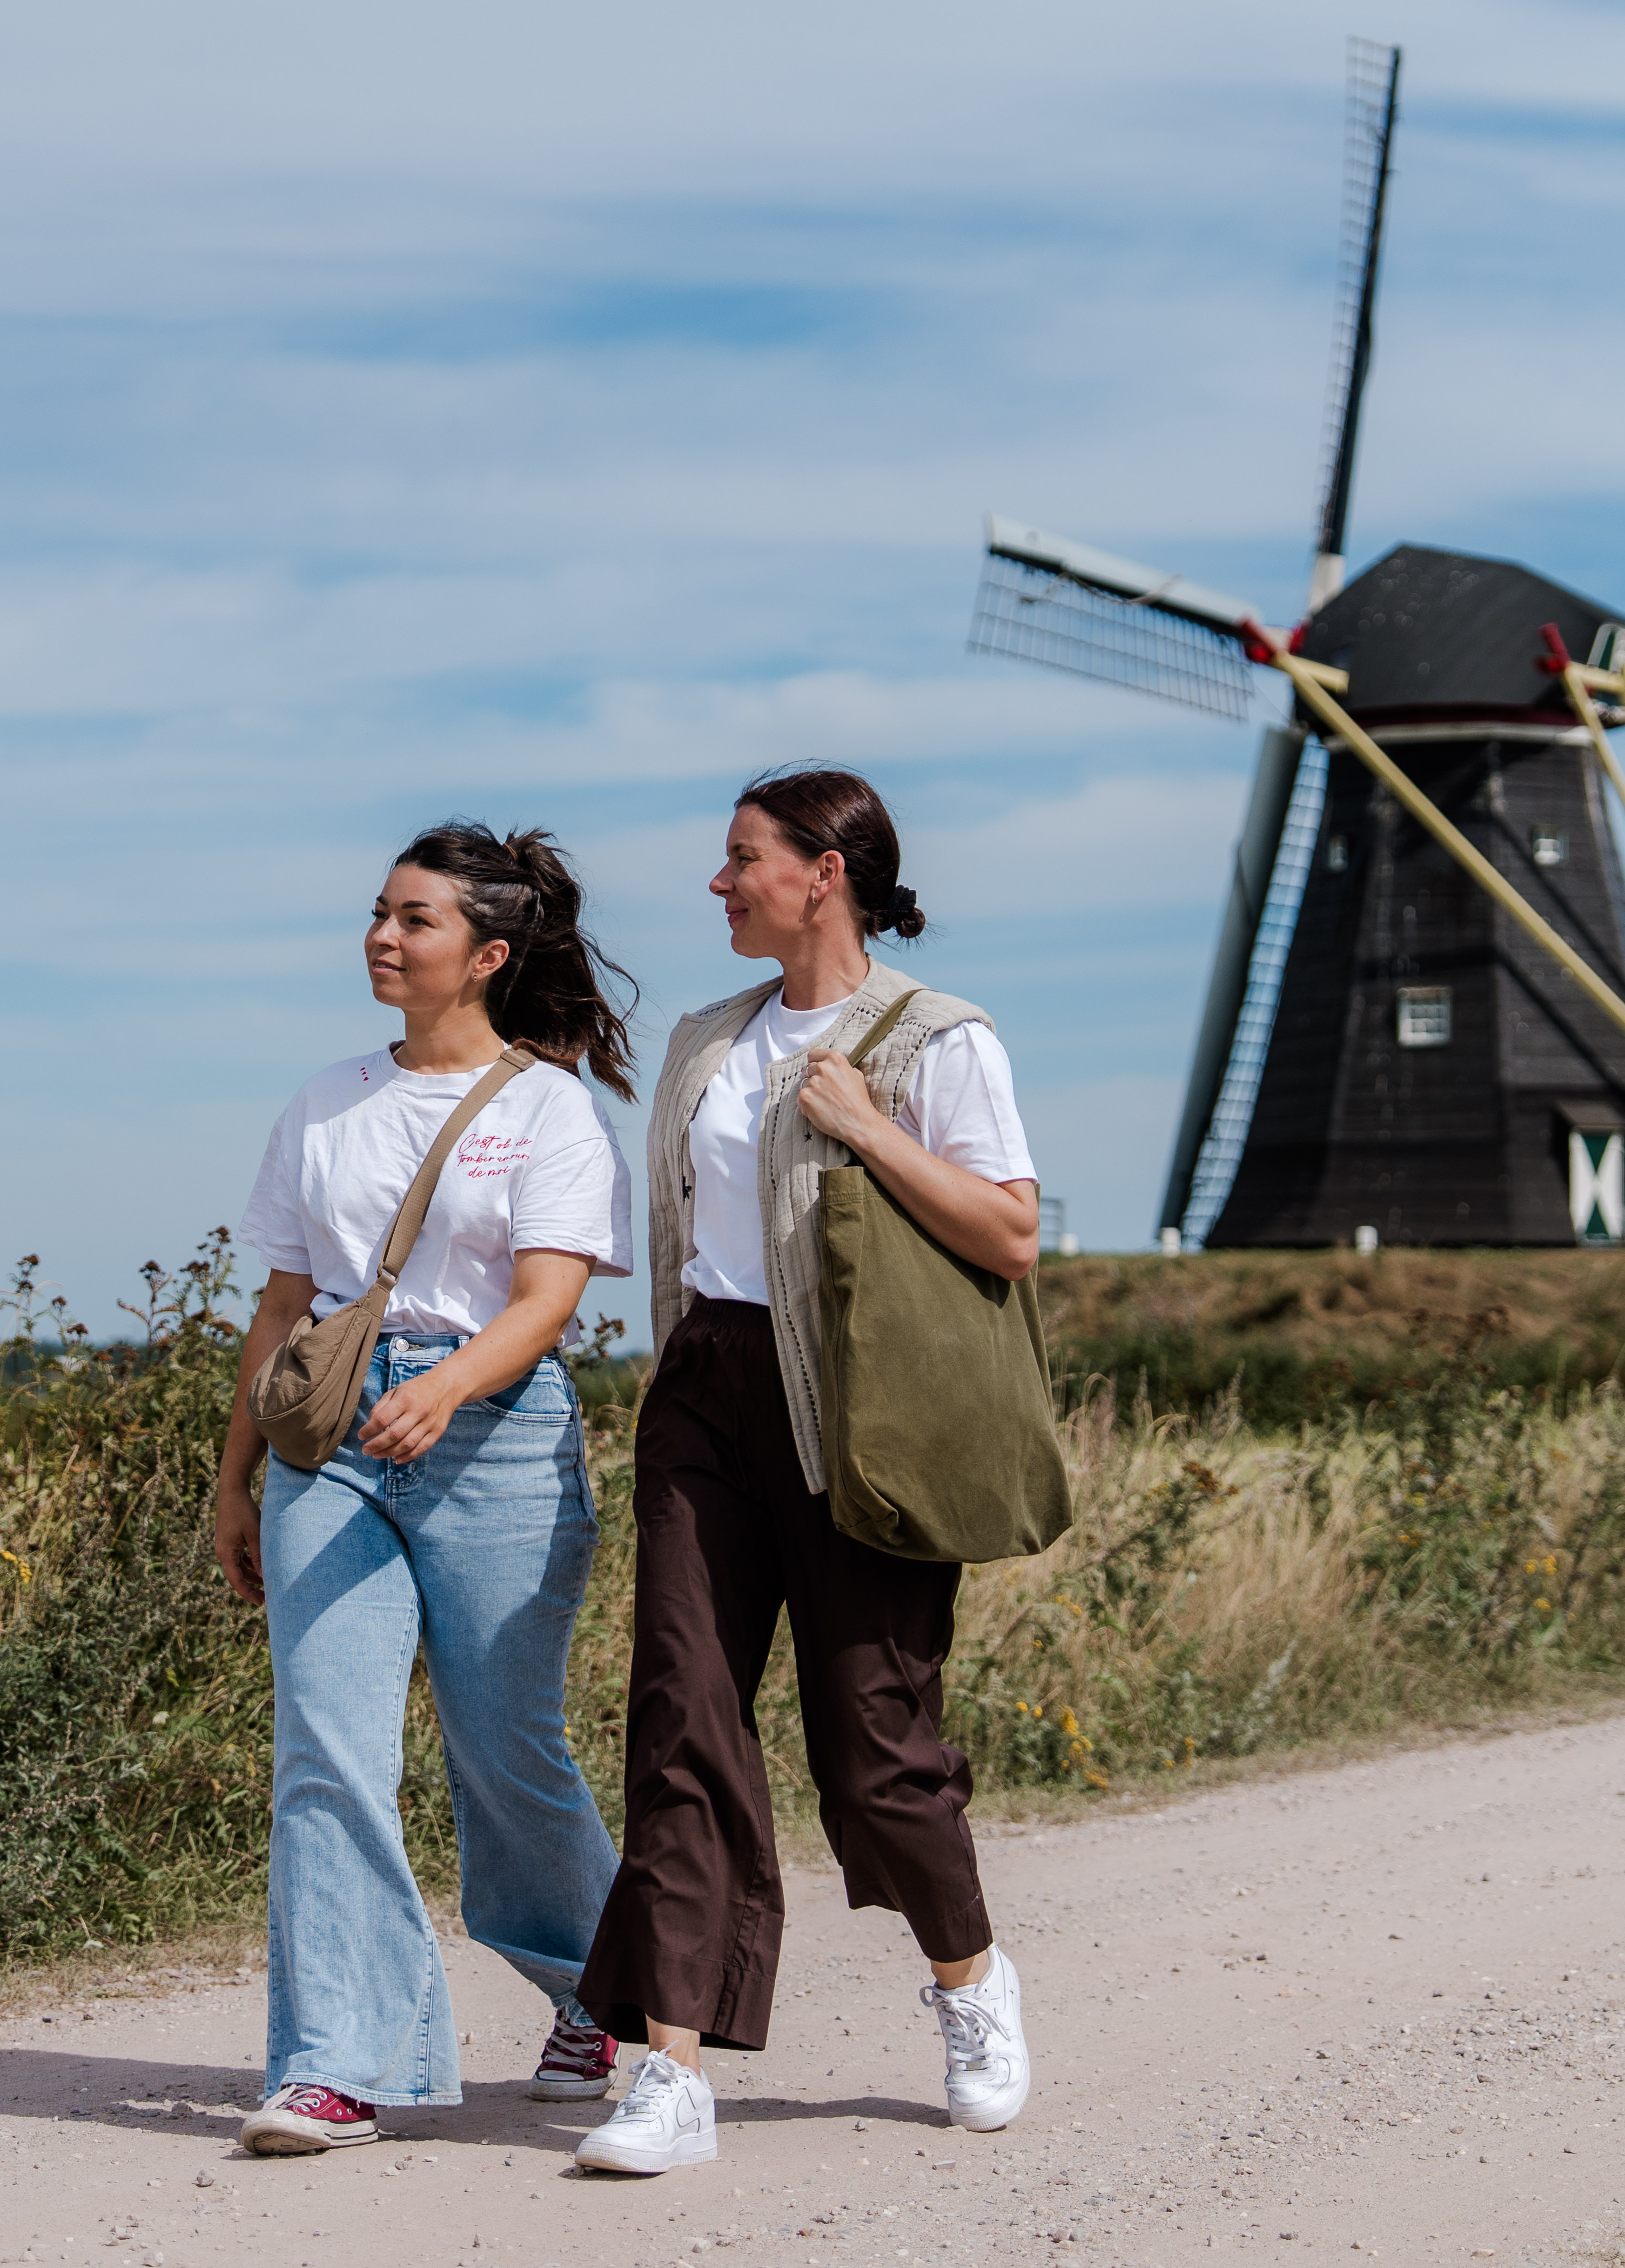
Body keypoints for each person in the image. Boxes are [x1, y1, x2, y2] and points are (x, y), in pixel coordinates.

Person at [572, 765, 1041, 2176]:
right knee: (681, 1716)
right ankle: (670, 2071)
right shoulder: (707, 1042)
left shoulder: (936, 1038)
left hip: (862, 1408)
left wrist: (868, 1129)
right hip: (707, 1388)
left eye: (741, 858)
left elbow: (1010, 1236)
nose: (719, 883)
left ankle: (969, 1979)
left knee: (874, 1747)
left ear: (823, 872)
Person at [215, 822, 641, 2156]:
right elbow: (282, 1306)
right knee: (324, 1748)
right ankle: (338, 2065)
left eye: (415, 920)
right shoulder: (323, 1101)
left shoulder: (548, 1109)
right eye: (379, 913)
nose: (382, 938)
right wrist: (233, 1481)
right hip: (331, 1440)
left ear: (489, 955)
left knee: (503, 1747)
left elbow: (546, 1300)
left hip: (495, 1436)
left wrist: (446, 1390)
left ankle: (600, 1988)